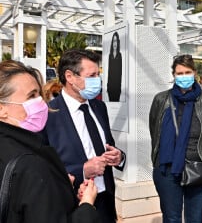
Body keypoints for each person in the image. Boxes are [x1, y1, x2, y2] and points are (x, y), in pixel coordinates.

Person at [0, 60, 100, 223]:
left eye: (39, 94)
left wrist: (58, 187)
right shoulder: (31, 163)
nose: (40, 102)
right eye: (31, 95)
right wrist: (87, 204)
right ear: (1, 109)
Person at [42, 49, 126, 222]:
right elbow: (43, 168)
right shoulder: (48, 114)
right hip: (72, 205)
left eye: (98, 74)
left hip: (105, 200)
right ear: (70, 77)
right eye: (92, 75)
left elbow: (107, 144)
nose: (98, 80)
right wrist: (82, 171)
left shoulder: (99, 107)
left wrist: (119, 157)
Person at [149, 54, 202, 223]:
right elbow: (154, 130)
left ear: (194, 73)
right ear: (173, 74)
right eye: (179, 73)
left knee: (195, 218)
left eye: (187, 72)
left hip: (197, 167)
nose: (183, 76)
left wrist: (199, 150)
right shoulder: (161, 99)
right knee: (171, 218)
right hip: (166, 167)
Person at [107, 32, 122, 102]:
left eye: (115, 41)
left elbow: (120, 73)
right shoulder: (110, 55)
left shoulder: (119, 55)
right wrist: (107, 86)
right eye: (113, 41)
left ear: (118, 42)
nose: (114, 43)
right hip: (110, 87)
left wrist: (119, 88)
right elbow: (109, 71)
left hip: (117, 87)